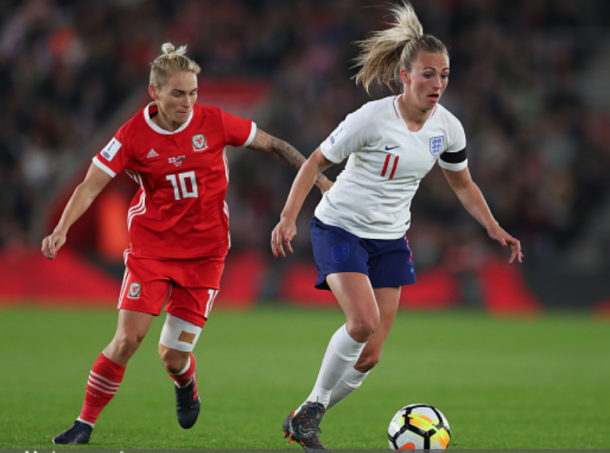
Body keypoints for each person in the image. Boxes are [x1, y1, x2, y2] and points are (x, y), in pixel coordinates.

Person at [42, 43, 331, 445]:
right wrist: (61, 228)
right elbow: (90, 186)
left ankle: (185, 382)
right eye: (178, 93)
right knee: (128, 339)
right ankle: (84, 424)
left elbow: (274, 146)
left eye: (193, 92)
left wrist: (317, 179)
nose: (188, 101)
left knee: (173, 357)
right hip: (152, 251)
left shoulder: (214, 121)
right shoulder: (131, 136)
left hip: (205, 256)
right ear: (154, 93)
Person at [271, 3, 523, 450]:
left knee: (369, 357)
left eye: (444, 75)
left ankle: (304, 415)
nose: (438, 84)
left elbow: (463, 184)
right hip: (340, 227)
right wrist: (289, 217)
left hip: (390, 239)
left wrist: (493, 225)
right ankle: (312, 410)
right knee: (362, 321)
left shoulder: (448, 129)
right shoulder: (370, 118)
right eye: (428, 74)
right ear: (404, 76)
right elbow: (314, 162)